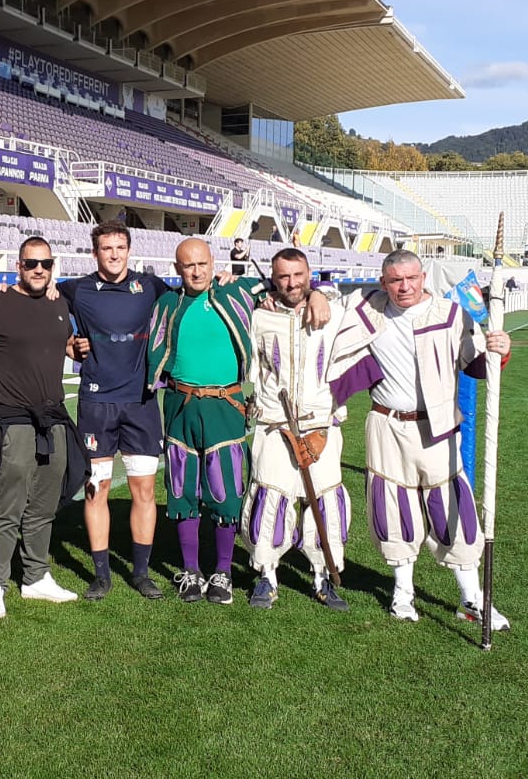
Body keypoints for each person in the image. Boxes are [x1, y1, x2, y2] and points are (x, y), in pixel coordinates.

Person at [326, 249, 511, 629]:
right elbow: (315, 298)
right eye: (395, 280)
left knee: (452, 509)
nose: (404, 287)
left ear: (423, 277)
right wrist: (313, 294)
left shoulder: (449, 314)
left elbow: (475, 362)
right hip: (386, 425)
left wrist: (501, 352)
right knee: (394, 509)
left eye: (411, 278)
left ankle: (471, 599)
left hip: (437, 427)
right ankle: (402, 594)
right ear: (383, 282)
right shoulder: (367, 309)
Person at [0, 236, 84, 618]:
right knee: (8, 507)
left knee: (45, 504)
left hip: (52, 417)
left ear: (53, 267)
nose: (38, 269)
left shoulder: (59, 303)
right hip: (11, 420)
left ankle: (36, 576)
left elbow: (61, 342)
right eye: (31, 263)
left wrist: (73, 346)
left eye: (45, 264)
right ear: (18, 266)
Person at [145, 238, 266, 604]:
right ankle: (192, 571)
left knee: (226, 489)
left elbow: (281, 282)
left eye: (202, 263)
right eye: (187, 265)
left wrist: (243, 267)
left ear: (213, 263)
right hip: (181, 404)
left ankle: (224, 572)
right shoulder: (167, 303)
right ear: (177, 268)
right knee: (182, 488)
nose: (196, 271)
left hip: (224, 404)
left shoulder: (236, 293)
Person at [59, 222, 174, 601]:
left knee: (143, 488)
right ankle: (102, 574)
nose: (114, 254)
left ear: (129, 249)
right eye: (106, 248)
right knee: (97, 489)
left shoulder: (151, 287)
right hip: (96, 404)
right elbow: (37, 301)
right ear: (95, 253)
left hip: (140, 404)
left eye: (120, 247)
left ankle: (141, 573)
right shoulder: (76, 289)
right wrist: (67, 343)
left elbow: (190, 299)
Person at [243, 248, 351, 611]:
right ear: (274, 279)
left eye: (299, 275)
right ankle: (266, 576)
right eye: (283, 277)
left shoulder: (331, 314)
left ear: (309, 274)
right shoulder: (260, 316)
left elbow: (373, 301)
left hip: (321, 424)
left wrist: (322, 290)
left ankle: (323, 576)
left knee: (326, 502)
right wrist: (262, 293)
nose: (292, 283)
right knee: (269, 497)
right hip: (274, 422)